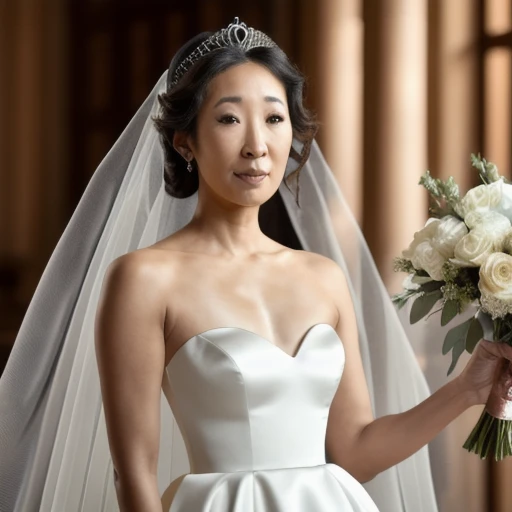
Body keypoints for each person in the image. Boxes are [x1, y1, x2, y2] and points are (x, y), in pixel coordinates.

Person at [1, 17, 510, 512]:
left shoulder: (322, 276)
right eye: (228, 119)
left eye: (273, 118)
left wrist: (466, 390)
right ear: (186, 142)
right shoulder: (143, 279)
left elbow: (357, 451)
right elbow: (132, 472)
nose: (256, 146)